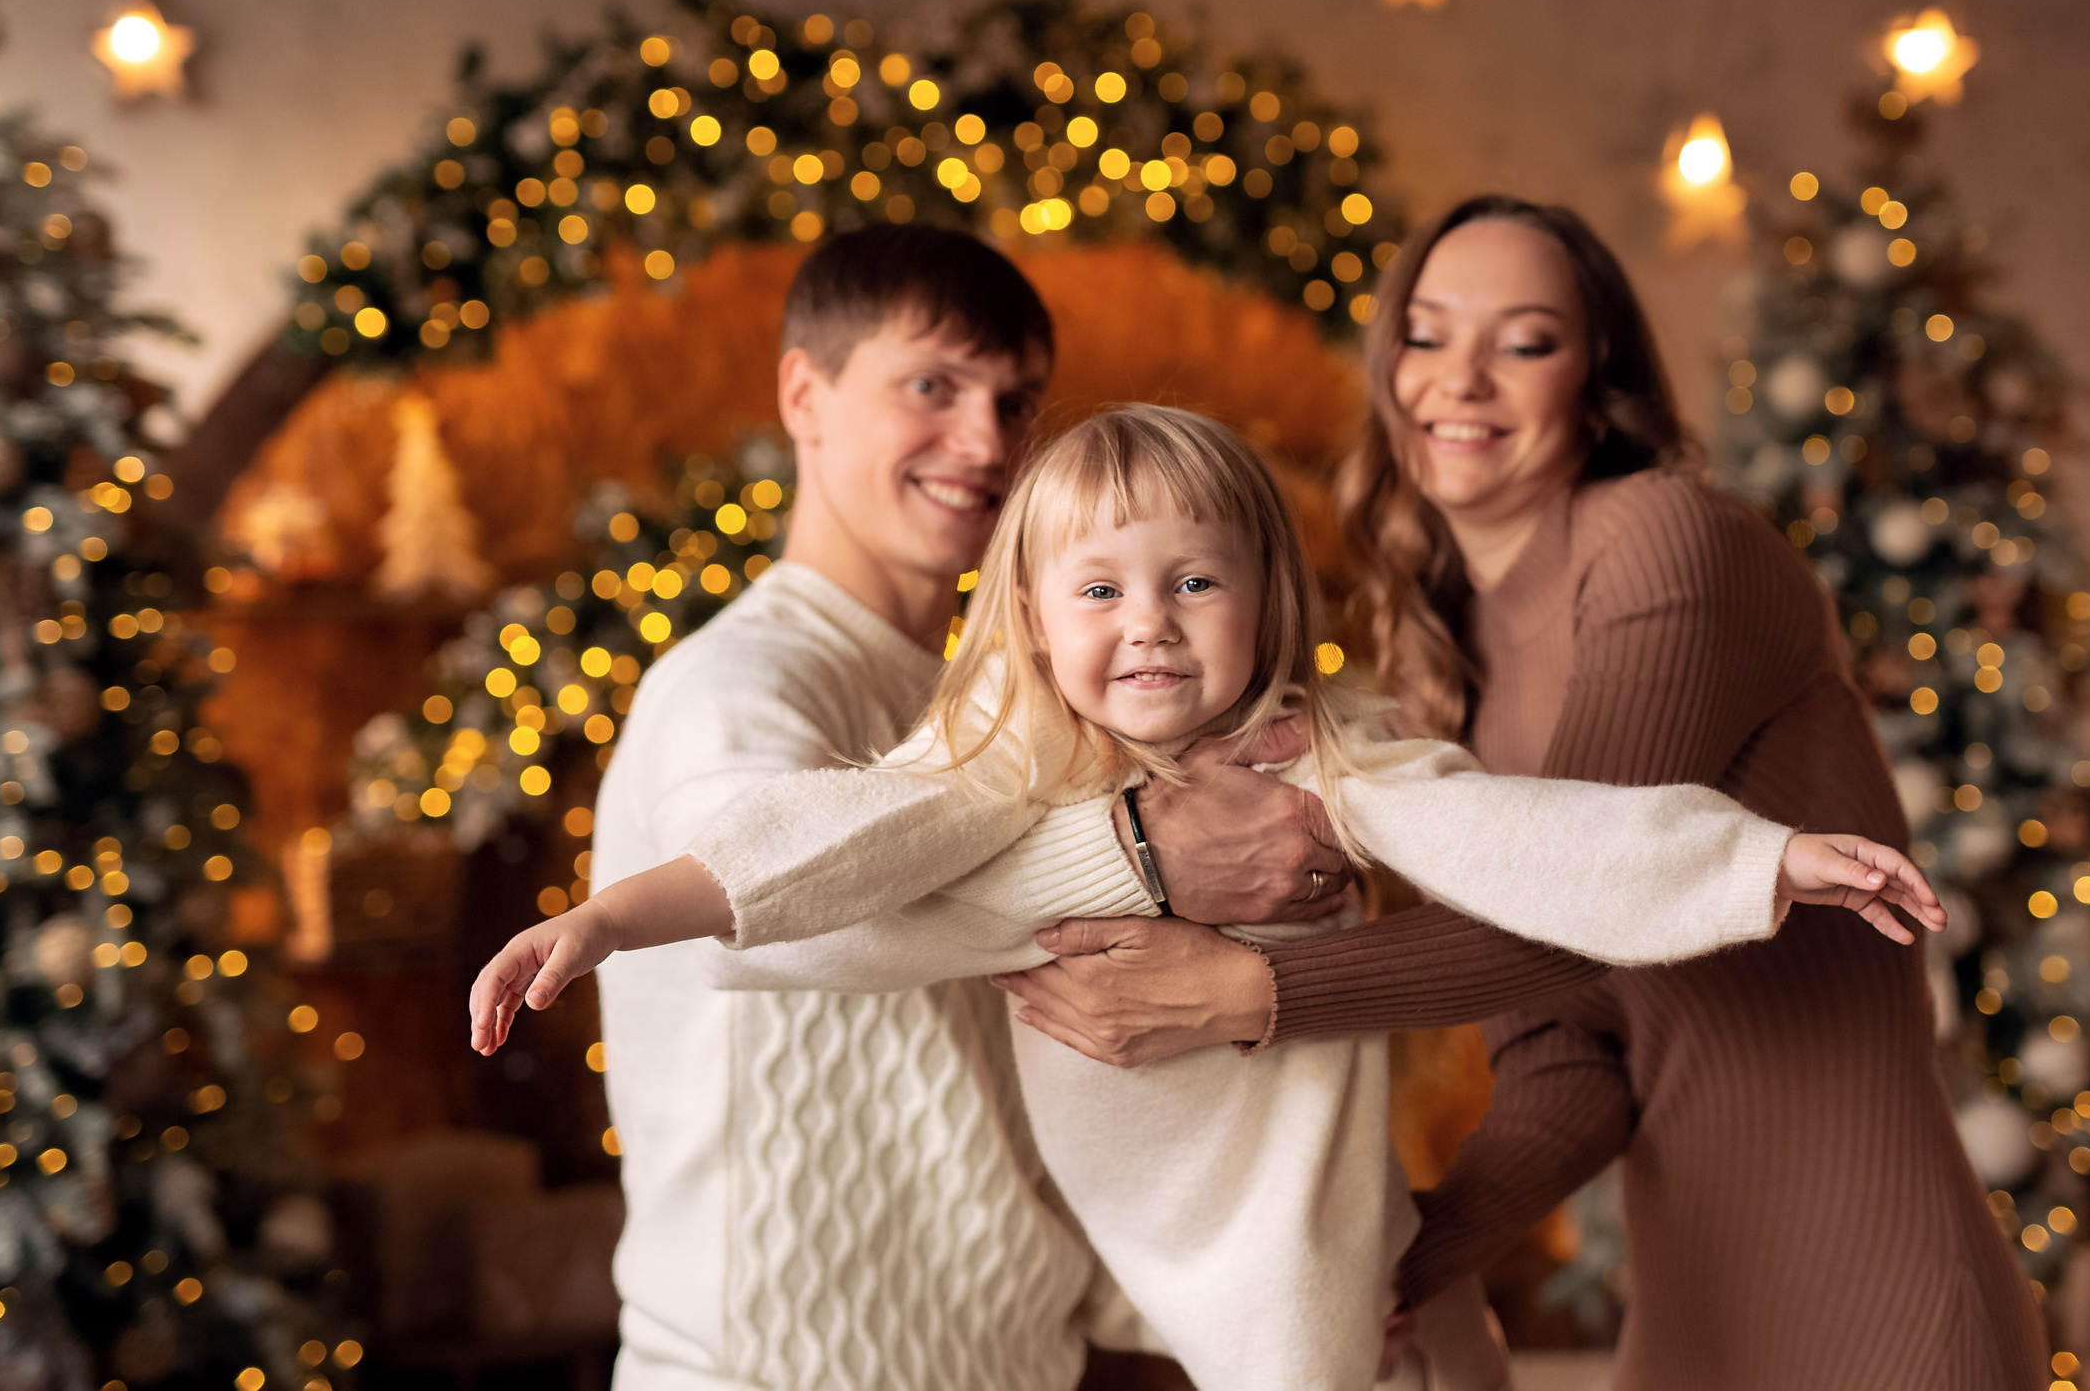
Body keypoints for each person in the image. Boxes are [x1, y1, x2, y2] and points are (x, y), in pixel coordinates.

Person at [477, 404, 1947, 1391]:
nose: (1151, 626)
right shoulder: (1005, 756)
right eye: (1102, 590)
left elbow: (1526, 836)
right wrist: (609, 916)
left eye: (1195, 581)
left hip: (1280, 1211)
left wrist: (1765, 858)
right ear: (1036, 619)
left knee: (1359, 1339)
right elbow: (820, 842)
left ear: (1265, 599)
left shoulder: (1318, 744)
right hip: (1115, 1218)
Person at [995, 199, 2052, 1389]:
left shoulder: (1662, 541)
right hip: (1684, 1314)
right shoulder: (1447, 648)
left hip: (1873, 1285)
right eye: (1429, 335)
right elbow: (1570, 1051)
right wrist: (1415, 1257)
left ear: (1598, 378)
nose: (1463, 379)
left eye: (1526, 341)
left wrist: (1253, 989)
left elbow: (1576, 906)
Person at [581, 227, 1352, 1391]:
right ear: (806, 392)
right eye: (931, 386)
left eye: (1016, 399)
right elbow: (777, 918)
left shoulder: (997, 707)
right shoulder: (738, 683)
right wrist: (1142, 854)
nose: (985, 441)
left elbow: (1016, 1067)